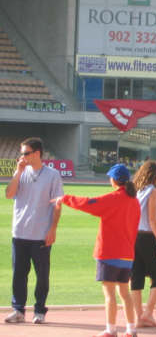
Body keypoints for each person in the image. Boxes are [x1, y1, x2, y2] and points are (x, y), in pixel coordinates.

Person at [52, 164, 140, 337]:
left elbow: (89, 204)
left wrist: (65, 198)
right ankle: (131, 329)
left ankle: (111, 329)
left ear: (114, 180)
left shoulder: (114, 198)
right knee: (124, 293)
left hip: (109, 252)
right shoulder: (134, 200)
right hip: (127, 254)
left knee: (109, 294)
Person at [4, 137, 63, 325]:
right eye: (21, 153)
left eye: (25, 153)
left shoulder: (52, 175)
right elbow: (9, 194)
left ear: (37, 153)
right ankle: (18, 309)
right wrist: (18, 172)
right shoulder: (20, 172)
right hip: (20, 232)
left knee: (42, 275)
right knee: (18, 274)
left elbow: (57, 205)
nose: (22, 157)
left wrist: (52, 229)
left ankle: (39, 311)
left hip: (40, 234)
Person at [130, 160, 156, 328]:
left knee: (137, 276)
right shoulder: (152, 191)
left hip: (134, 236)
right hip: (148, 236)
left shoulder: (135, 190)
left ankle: (139, 316)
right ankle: (147, 313)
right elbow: (152, 219)